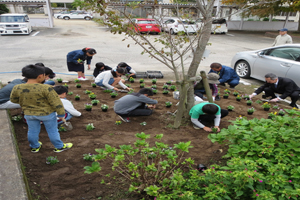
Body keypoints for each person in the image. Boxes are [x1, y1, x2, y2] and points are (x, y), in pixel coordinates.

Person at [10, 64, 73, 153]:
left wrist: (25, 103)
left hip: (29, 114)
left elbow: (13, 99)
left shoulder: (17, 87)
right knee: (52, 131)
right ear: (40, 76)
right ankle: (59, 147)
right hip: (47, 114)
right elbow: (56, 103)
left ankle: (34, 147)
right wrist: (61, 114)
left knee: (32, 131)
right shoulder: (46, 88)